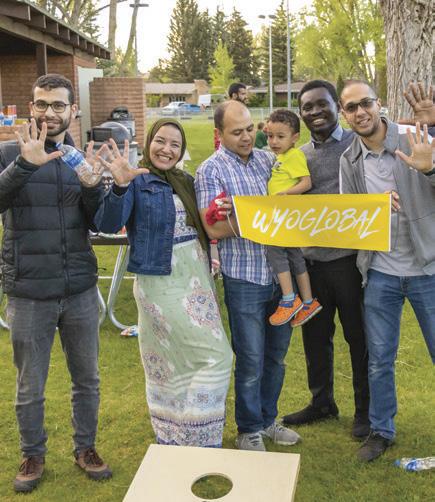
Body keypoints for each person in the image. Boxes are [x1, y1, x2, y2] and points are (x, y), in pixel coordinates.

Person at [0, 73, 111, 493]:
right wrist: (25, 164)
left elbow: (98, 222)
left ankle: (86, 448)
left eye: (58, 105)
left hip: (79, 288)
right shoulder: (9, 153)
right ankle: (33, 454)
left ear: (73, 111)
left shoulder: (78, 160)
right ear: (32, 107)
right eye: (42, 104)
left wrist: (94, 188)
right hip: (29, 292)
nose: (50, 112)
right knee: (30, 384)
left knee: (88, 379)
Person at [95, 118, 233, 448]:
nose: (166, 149)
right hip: (160, 280)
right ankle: (196, 435)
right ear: (148, 142)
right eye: (160, 141)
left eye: (175, 144)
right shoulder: (136, 179)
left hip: (196, 277)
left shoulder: (185, 181)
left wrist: (219, 212)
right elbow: (107, 224)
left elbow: (204, 223)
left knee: (182, 357)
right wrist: (120, 187)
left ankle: (178, 434)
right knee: (215, 356)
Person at [195, 100, 301, 452]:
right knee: (251, 359)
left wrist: (248, 216)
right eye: (236, 132)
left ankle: (268, 420)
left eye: (250, 129)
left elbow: (293, 204)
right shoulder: (210, 171)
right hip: (244, 278)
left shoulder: (268, 161)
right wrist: (261, 218)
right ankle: (249, 428)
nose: (246, 137)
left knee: (276, 357)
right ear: (219, 133)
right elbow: (214, 227)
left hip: (281, 278)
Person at [339, 80, 435, 462]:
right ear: (344, 115)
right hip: (380, 273)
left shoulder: (416, 138)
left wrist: (430, 169)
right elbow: (349, 217)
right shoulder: (349, 160)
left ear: (379, 103)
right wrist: (372, 207)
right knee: (379, 358)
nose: (360, 112)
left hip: (428, 269)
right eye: (351, 107)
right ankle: (381, 431)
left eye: (365, 103)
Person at [280, 80, 371, 441]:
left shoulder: (357, 144)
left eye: (322, 104)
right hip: (311, 266)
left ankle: (365, 410)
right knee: (316, 339)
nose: (315, 112)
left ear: (337, 107)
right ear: (301, 114)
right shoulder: (297, 156)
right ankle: (322, 402)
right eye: (308, 107)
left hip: (350, 264)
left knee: (359, 339)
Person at [265, 109, 322, 327]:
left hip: (286, 216)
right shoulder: (281, 157)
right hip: (285, 217)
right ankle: (308, 302)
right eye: (270, 136)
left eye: (280, 136)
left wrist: (286, 194)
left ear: (295, 137)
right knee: (295, 257)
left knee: (274, 251)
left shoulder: (294, 156)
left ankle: (289, 299)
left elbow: (306, 182)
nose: (274, 141)